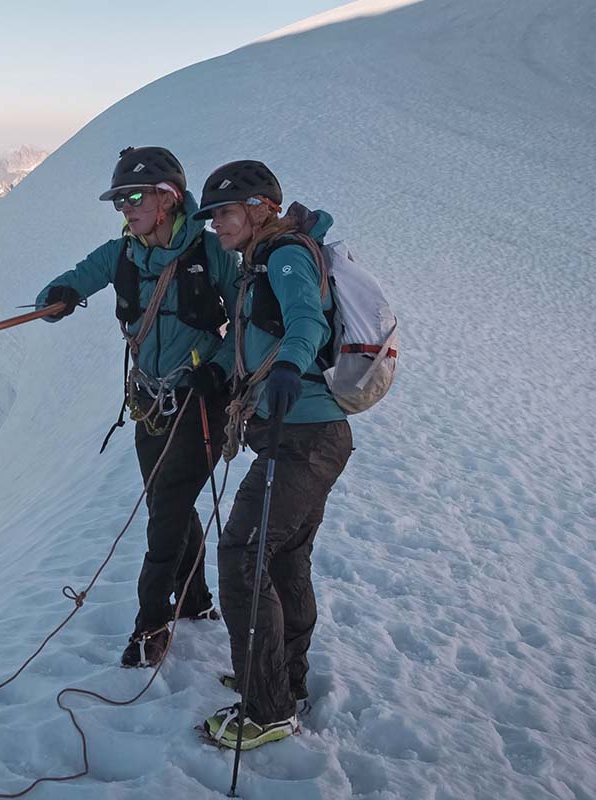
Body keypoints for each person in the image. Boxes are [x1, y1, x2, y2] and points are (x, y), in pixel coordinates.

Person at [35, 146, 240, 668]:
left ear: (168, 199)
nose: (123, 208)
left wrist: (215, 368)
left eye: (132, 198)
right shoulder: (123, 253)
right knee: (164, 501)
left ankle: (151, 624)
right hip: (151, 403)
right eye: (119, 201)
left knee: (166, 509)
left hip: (198, 402)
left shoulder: (210, 253)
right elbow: (78, 278)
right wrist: (55, 296)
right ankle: (195, 602)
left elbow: (248, 318)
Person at [192, 160, 354, 750]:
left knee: (241, 552)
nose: (216, 225)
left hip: (303, 436)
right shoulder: (256, 263)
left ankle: (267, 708)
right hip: (311, 436)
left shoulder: (284, 256)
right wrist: (214, 373)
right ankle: (284, 679)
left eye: (225, 213)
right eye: (210, 217)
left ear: (260, 208)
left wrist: (289, 365)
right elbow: (254, 338)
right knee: (282, 559)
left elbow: (305, 319)